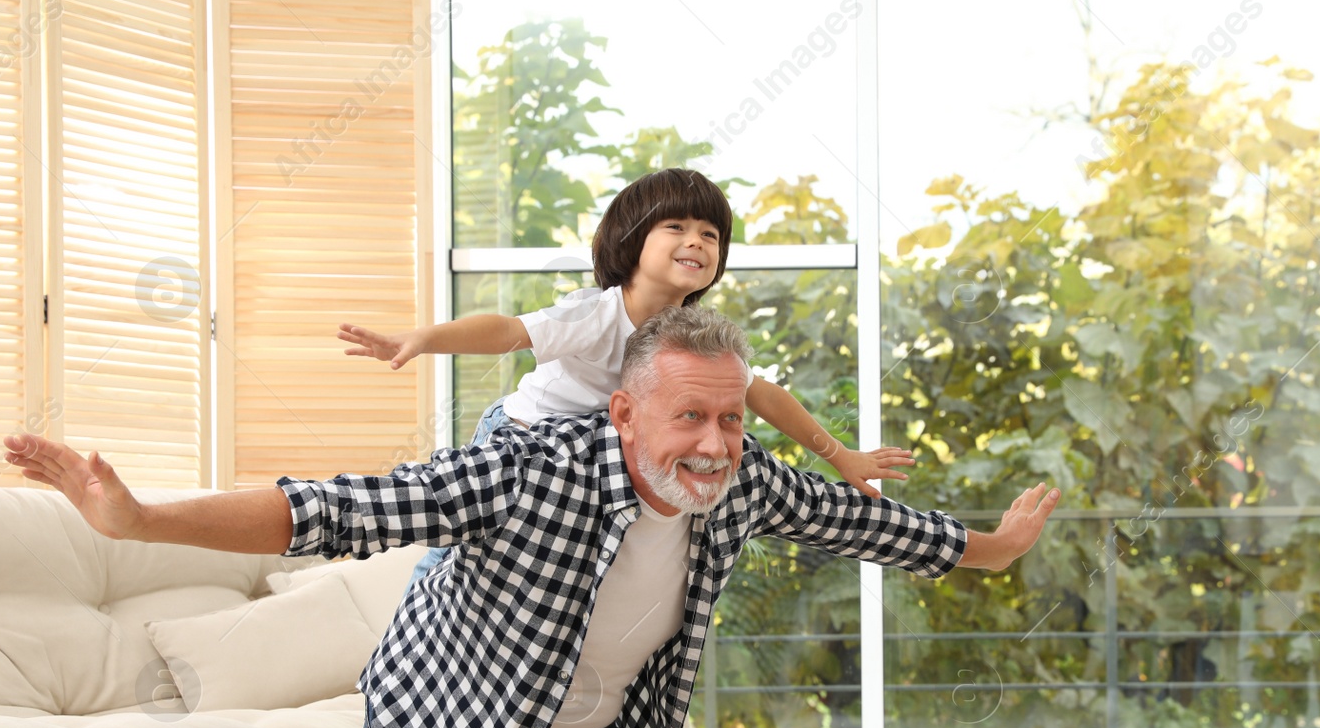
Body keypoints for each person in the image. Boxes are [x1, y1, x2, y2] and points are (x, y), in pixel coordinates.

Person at [3, 305, 1061, 728]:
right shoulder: (524, 472)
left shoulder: (739, 480)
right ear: (623, 409)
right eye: (689, 414)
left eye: (732, 417)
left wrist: (990, 547)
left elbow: (857, 520)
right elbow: (336, 506)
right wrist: (138, 517)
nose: (715, 441)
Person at [337, 167, 912, 584]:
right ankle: (417, 627)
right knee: (460, 552)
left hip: (594, 454)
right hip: (522, 437)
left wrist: (841, 456)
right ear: (633, 241)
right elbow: (508, 330)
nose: (696, 242)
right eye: (677, 228)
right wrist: (422, 340)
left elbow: (762, 395)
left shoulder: (692, 337)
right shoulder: (597, 312)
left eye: (710, 235)